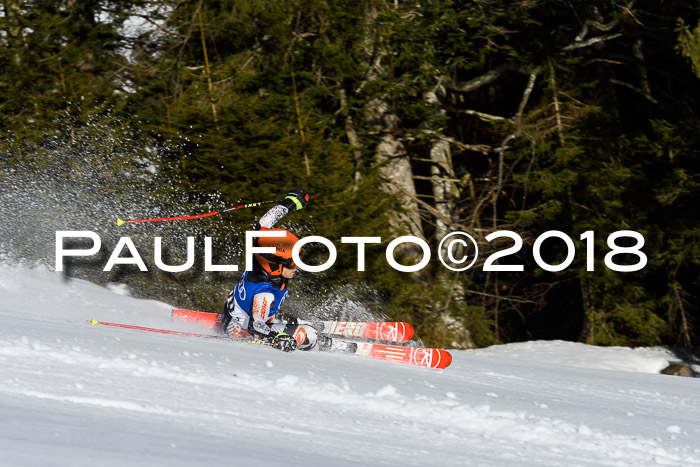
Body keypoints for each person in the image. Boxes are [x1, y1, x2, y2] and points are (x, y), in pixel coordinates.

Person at [221, 189, 322, 352]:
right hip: (241, 331)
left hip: (232, 311)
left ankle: (276, 319)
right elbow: (256, 326)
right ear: (274, 264)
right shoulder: (265, 294)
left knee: (292, 322)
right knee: (310, 334)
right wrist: (277, 338)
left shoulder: (260, 255)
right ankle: (321, 342)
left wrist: (290, 203)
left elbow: (263, 224)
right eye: (292, 264)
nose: (296, 268)